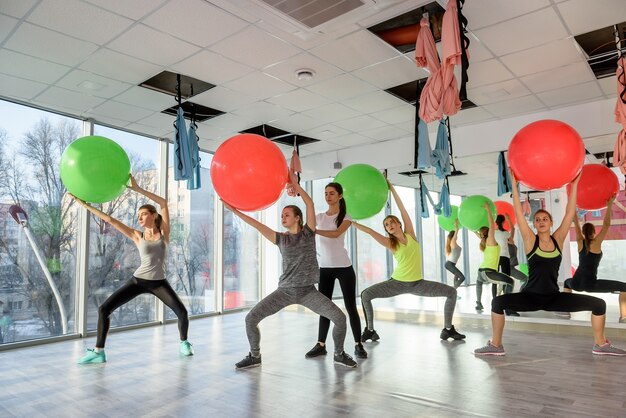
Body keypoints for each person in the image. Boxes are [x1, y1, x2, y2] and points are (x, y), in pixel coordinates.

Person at [474, 171, 625, 356]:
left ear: (551, 223)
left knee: (599, 304)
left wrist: (574, 185)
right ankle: (496, 345)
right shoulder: (530, 240)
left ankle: (600, 344)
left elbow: (570, 212)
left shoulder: (558, 239)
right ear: (535, 225)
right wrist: (515, 185)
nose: (541, 221)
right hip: (530, 296)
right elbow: (520, 215)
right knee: (497, 302)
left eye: (545, 219)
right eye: (537, 220)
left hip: (554, 297)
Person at [228, 171, 357, 369]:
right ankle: (255, 356)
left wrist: (296, 186)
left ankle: (339, 353)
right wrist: (234, 210)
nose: (283, 217)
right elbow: (255, 224)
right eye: (281, 215)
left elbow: (310, 205)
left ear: (298, 218)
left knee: (340, 318)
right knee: (251, 318)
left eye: (287, 214)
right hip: (285, 291)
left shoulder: (308, 233)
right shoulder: (281, 238)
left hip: (308, 292)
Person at [71, 175, 193, 364]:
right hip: (138, 281)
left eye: (143, 214)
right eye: (138, 216)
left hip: (159, 283)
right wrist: (85, 205)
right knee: (104, 309)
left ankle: (184, 343)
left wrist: (137, 189)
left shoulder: (164, 232)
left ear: (153, 215)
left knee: (182, 312)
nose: (140, 218)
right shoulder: (137, 235)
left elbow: (163, 203)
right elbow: (111, 220)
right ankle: (98, 352)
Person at [354, 180, 465, 342]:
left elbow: (402, 209)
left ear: (399, 224)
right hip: (397, 283)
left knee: (451, 292)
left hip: (418, 284)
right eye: (386, 225)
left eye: (392, 222)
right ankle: (370, 330)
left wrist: (392, 188)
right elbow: (370, 231)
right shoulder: (390, 243)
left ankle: (447, 329)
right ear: (386, 230)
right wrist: (351, 222)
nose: (389, 225)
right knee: (365, 295)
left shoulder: (411, 234)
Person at [305, 182, 367, 360]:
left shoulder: (345, 217)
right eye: (326, 193)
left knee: (350, 307)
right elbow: (306, 229)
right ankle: (321, 344)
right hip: (325, 269)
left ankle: (358, 344)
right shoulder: (319, 217)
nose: (328, 196)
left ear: (340, 196)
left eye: (331, 193)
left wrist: (314, 231)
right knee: (325, 308)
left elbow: (335, 234)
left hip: (344, 267)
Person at [564, 196, 626, 322]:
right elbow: (606, 225)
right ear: (593, 232)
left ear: (583, 231)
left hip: (576, 283)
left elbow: (575, 221)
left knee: (566, 282)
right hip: (591, 284)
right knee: (624, 287)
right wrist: (609, 206)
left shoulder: (580, 241)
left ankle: (565, 311)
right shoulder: (596, 242)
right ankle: (624, 317)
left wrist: (572, 205)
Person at [474, 203, 516, 315]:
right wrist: (488, 209)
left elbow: (480, 235)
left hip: (480, 272)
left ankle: (478, 303)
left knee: (479, 283)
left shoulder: (484, 242)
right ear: (489, 232)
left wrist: (474, 230)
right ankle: (507, 307)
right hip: (489, 272)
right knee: (510, 281)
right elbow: (492, 224)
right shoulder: (490, 240)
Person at [492, 214, 514, 297]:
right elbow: (512, 242)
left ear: (495, 222)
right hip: (504, 256)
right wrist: (505, 241)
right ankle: (505, 297)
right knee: (506, 278)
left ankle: (494, 298)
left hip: (495, 257)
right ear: (503, 222)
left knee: (493, 279)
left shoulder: (493, 232)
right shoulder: (505, 233)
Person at [444, 220, 465, 289]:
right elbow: (456, 231)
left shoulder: (453, 243)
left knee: (457, 276)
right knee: (462, 277)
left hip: (451, 264)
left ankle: (454, 293)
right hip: (449, 264)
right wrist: (456, 225)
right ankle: (452, 290)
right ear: (453, 236)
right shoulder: (452, 242)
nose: (457, 236)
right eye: (455, 235)